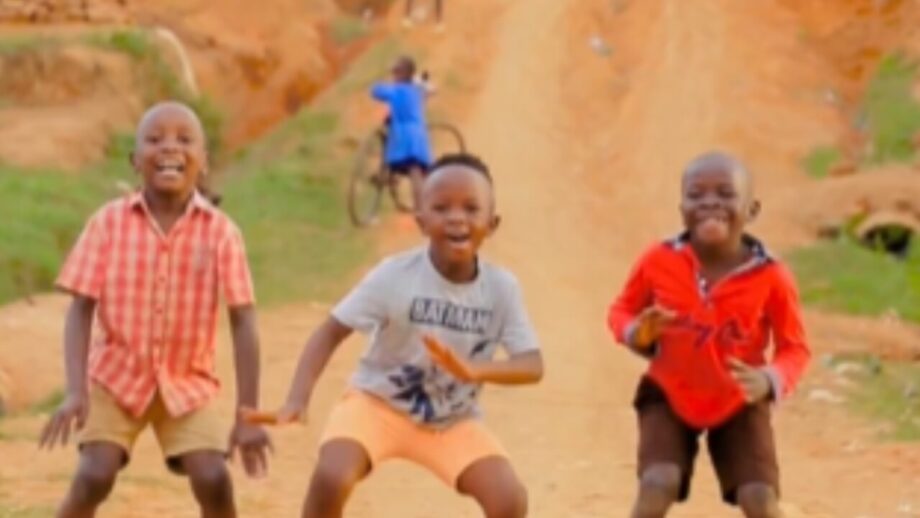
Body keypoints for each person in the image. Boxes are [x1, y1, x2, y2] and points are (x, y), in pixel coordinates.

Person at [245, 153, 543, 518]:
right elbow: (330, 331)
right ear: (421, 221)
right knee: (332, 475)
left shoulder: (501, 288)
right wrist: (297, 398)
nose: (456, 218)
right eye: (441, 207)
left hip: (452, 420)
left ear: (492, 223)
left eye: (470, 208)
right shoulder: (395, 276)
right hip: (376, 405)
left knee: (509, 499)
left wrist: (474, 369)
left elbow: (532, 365)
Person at [40, 101, 271, 518]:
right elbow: (80, 310)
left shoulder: (222, 233)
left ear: (203, 163)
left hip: (186, 384)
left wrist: (248, 416)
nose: (170, 147)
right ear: (135, 161)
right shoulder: (108, 223)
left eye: (185, 140)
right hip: (115, 379)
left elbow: (243, 320)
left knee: (214, 480)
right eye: (154, 139)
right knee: (94, 475)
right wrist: (76, 391)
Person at [607, 152, 811, 518]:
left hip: (738, 399)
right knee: (658, 482)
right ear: (681, 206)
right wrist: (638, 331)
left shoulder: (771, 276)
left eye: (725, 193)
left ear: (752, 209)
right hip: (669, 392)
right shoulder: (659, 259)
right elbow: (620, 311)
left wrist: (769, 379)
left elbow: (794, 348)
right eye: (696, 194)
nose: (709, 203)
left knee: (760, 499)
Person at [371, 56, 433, 211]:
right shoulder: (417, 90)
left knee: (403, 166)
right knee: (416, 171)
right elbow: (432, 89)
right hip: (418, 137)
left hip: (402, 137)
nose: (393, 76)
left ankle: (388, 178)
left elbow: (375, 91)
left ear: (401, 74)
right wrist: (419, 82)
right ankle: (422, 208)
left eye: (395, 72)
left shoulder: (394, 90)